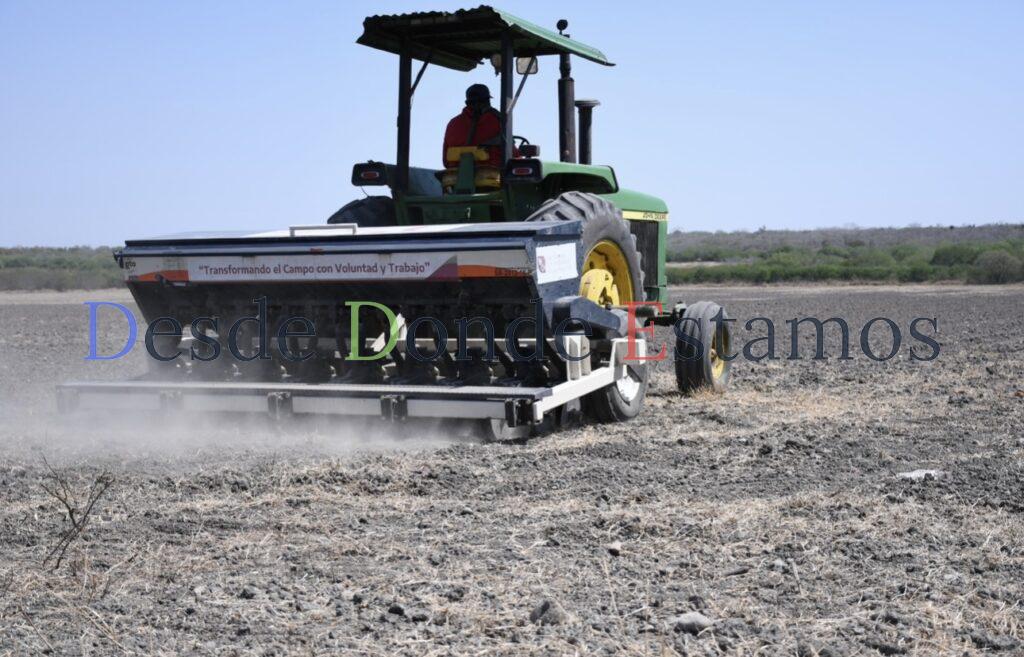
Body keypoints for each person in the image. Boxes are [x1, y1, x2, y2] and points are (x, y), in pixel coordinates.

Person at [442, 84, 505, 169]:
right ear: (486, 102)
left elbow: (445, 161)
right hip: (490, 178)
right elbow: (511, 153)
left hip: (455, 179)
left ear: (467, 102)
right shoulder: (497, 121)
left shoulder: (452, 124)